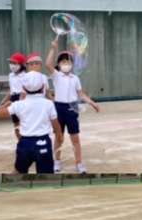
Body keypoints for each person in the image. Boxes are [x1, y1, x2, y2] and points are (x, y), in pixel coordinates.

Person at [45, 38, 100, 174]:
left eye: (68, 61)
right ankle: (56, 162)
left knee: (75, 138)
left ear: (72, 64)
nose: (66, 64)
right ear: (59, 65)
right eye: (63, 62)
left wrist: (92, 103)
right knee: (59, 138)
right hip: (59, 108)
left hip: (72, 108)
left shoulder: (75, 78)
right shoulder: (56, 76)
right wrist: (53, 48)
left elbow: (81, 94)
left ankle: (79, 163)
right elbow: (47, 64)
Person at [0, 71, 63, 175]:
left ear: (24, 88)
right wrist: (59, 137)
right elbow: (56, 126)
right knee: (46, 175)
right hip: (43, 142)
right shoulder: (48, 104)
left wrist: (6, 104)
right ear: (43, 87)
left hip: (25, 143)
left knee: (18, 171)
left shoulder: (19, 104)